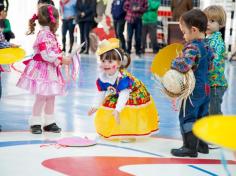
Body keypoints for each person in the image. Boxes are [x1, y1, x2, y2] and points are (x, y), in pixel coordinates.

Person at [88, 38, 159, 142]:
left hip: (134, 92)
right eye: (103, 61)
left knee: (128, 110)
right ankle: (112, 130)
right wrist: (95, 105)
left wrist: (118, 110)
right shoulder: (102, 77)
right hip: (119, 92)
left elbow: (124, 95)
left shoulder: (123, 78)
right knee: (108, 105)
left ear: (119, 63)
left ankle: (129, 134)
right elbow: (101, 92)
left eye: (110, 61)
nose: (106, 64)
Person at [16, 5, 71, 134]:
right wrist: (61, 60)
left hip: (50, 69)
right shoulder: (44, 35)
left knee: (51, 96)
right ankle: (35, 122)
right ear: (54, 19)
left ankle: (49, 121)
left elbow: (53, 52)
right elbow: (46, 55)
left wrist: (61, 58)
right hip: (42, 70)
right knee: (41, 96)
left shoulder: (50, 34)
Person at [170, 9, 214, 157]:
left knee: (187, 115)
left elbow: (184, 65)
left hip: (194, 89)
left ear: (194, 30)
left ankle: (189, 147)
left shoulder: (193, 47)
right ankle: (202, 145)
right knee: (202, 115)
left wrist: (175, 61)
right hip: (207, 88)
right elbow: (210, 66)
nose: (184, 36)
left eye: (184, 32)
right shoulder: (208, 46)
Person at [203, 5, 227, 116]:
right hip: (209, 83)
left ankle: (219, 131)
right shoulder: (206, 39)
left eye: (212, 21)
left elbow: (215, 61)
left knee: (214, 112)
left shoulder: (217, 42)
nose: (207, 23)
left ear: (221, 24)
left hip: (216, 84)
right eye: (205, 20)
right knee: (208, 110)